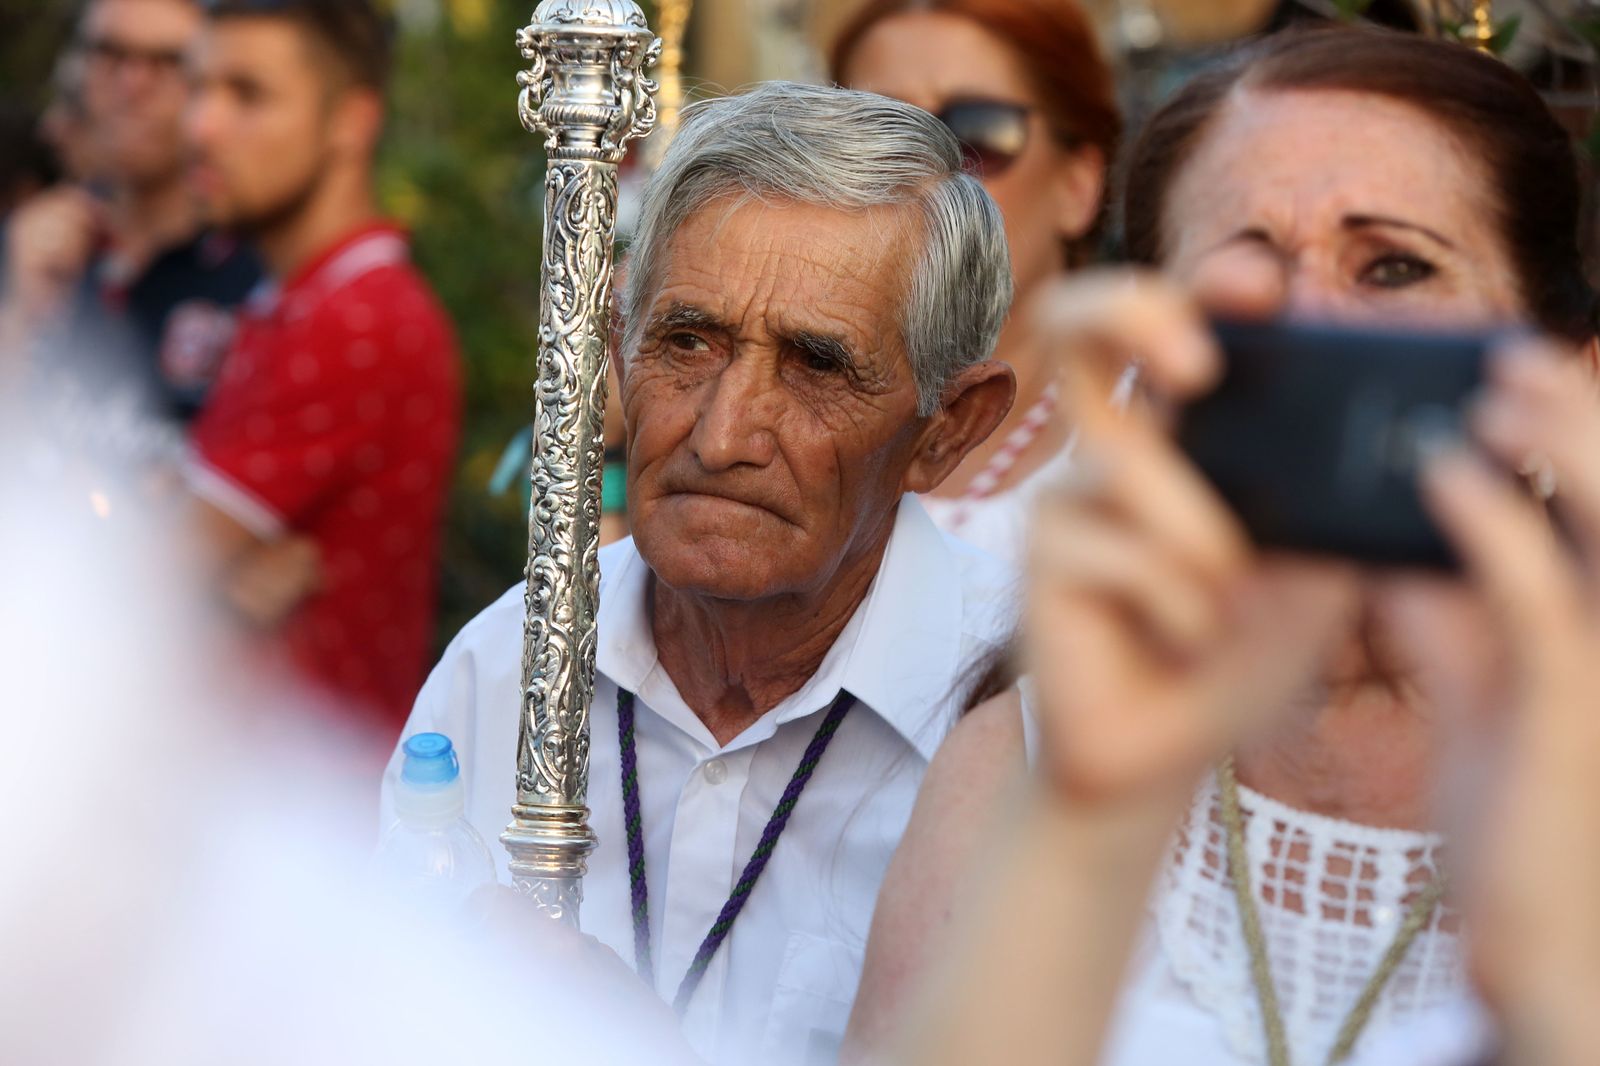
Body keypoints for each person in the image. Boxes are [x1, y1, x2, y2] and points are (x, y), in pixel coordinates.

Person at [842, 26, 1598, 1066]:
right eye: (1246, 289)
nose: (1311, 328)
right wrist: (1091, 832)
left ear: (1566, 371)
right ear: (1153, 368)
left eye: (1393, 266)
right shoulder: (1035, 747)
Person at [384, 82, 1017, 1066]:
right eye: (686, 342)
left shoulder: (1029, 722)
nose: (721, 437)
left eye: (814, 366)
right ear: (614, 351)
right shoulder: (508, 663)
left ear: (947, 433)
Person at [181, 0, 461, 738]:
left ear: (351, 121)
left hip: (296, 815)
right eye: (198, 89)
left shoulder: (356, 318)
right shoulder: (300, 300)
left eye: (247, 94)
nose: (200, 127)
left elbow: (130, 584)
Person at [831, 0, 1120, 563]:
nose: (925, 173)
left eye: (978, 133)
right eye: (878, 130)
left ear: (1078, 186)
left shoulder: (1157, 424)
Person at [0, 0, 262, 423]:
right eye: (110, 53)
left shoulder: (260, 278)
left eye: (169, 61)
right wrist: (19, 314)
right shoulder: (23, 243)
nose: (133, 83)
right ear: (76, 69)